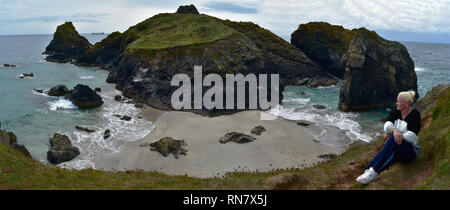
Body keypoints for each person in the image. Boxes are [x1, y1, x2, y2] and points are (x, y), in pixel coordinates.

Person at [356, 90, 421, 184]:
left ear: (406, 104)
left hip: (409, 152)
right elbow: (387, 125)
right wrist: (395, 130)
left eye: (398, 101)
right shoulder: (397, 111)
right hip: (396, 147)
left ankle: (373, 172)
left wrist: (396, 133)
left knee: (392, 140)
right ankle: (368, 171)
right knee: (388, 148)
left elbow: (412, 136)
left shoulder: (415, 115)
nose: (396, 103)